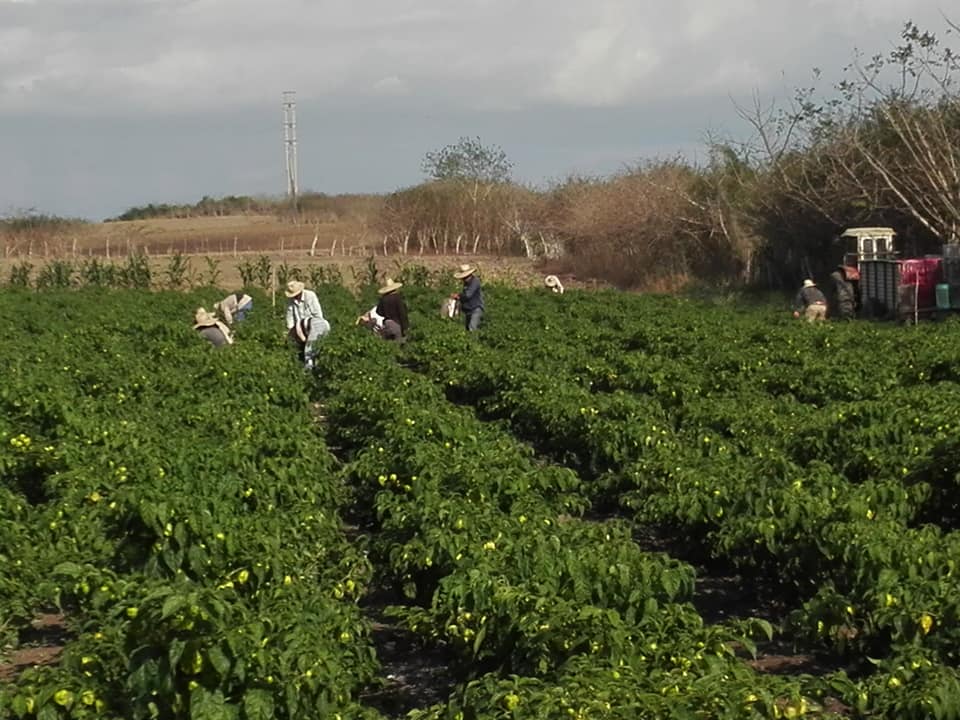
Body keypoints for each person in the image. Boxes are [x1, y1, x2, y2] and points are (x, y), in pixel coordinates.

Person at [285, 280, 330, 369]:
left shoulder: (310, 296)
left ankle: (310, 371)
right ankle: (304, 367)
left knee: (309, 350)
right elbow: (289, 317)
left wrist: (309, 332)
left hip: (314, 326)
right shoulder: (290, 301)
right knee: (299, 349)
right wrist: (294, 332)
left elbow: (318, 315)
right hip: (301, 329)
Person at [453, 264, 484, 331]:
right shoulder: (466, 283)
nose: (463, 279)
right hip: (468, 310)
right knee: (467, 328)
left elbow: (468, 295)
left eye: (465, 277)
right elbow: (465, 296)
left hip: (476, 308)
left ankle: (474, 340)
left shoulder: (475, 281)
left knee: (472, 328)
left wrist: (458, 295)